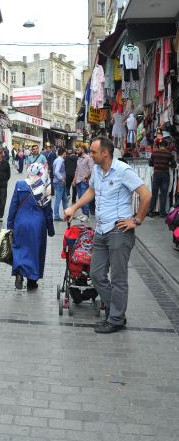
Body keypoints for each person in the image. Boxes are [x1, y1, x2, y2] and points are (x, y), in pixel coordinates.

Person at [65, 137, 151, 334]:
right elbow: (92, 191)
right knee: (95, 274)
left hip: (119, 232)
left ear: (105, 153)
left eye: (94, 152)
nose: (90, 155)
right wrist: (74, 207)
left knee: (119, 278)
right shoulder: (96, 170)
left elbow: (146, 195)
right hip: (101, 230)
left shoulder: (123, 170)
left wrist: (136, 220)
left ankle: (116, 318)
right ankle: (117, 312)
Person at [7, 162, 54, 291]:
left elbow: (13, 206)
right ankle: (32, 281)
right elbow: (47, 210)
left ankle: (19, 272)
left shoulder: (20, 184)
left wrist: (10, 224)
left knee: (20, 248)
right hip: (37, 224)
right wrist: (50, 228)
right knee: (35, 251)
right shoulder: (45, 187)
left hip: (20, 222)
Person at [148, 141, 176, 217]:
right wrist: (169, 164)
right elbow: (174, 165)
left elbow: (150, 164)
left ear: (159, 146)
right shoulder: (169, 154)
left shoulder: (154, 153)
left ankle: (150, 211)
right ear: (166, 146)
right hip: (165, 175)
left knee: (154, 194)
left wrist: (156, 164)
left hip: (156, 175)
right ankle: (162, 213)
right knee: (163, 194)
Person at [73, 147, 94, 220]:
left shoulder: (88, 158)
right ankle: (83, 213)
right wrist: (74, 180)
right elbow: (77, 170)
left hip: (84, 181)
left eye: (78, 149)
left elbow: (92, 169)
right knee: (80, 198)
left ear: (83, 150)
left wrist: (87, 176)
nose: (77, 151)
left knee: (85, 198)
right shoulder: (78, 158)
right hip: (78, 181)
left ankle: (86, 215)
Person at [52, 148, 67, 221]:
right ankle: (56, 216)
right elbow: (56, 171)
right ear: (63, 153)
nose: (66, 154)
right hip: (59, 182)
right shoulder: (60, 160)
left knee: (64, 199)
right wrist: (62, 179)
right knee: (58, 199)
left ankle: (67, 214)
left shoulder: (56, 160)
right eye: (65, 153)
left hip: (59, 182)